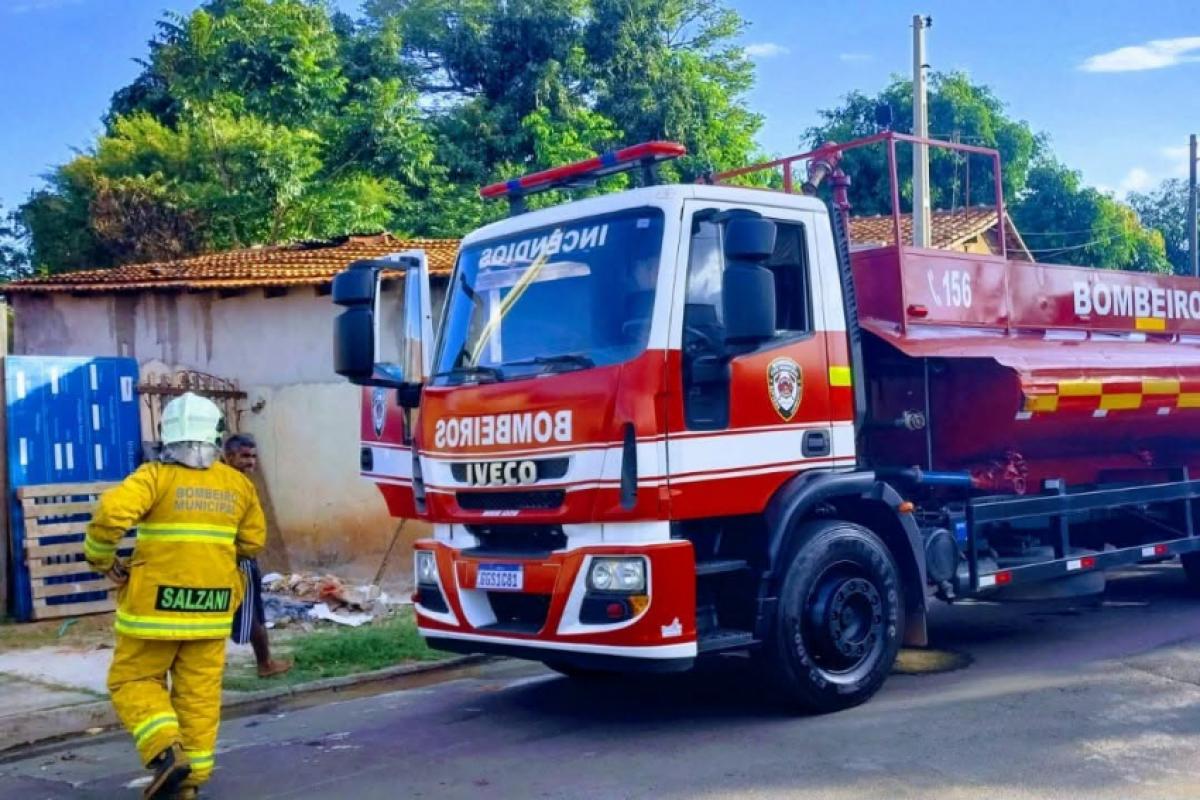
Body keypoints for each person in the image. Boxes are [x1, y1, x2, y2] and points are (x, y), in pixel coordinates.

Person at [85, 392, 266, 799]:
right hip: (213, 611)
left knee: (132, 679)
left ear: (168, 435)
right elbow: (252, 542)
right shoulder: (237, 485)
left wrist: (101, 559)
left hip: (154, 612)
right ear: (216, 435)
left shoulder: (153, 477)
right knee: (198, 698)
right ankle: (189, 785)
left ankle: (167, 753)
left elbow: (111, 515)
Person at [224, 433, 292, 678]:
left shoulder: (239, 483)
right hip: (236, 559)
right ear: (229, 456)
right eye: (244, 456)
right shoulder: (230, 484)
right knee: (250, 613)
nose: (251, 462)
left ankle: (265, 662)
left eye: (253, 457)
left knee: (250, 611)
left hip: (236, 556)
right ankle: (265, 664)